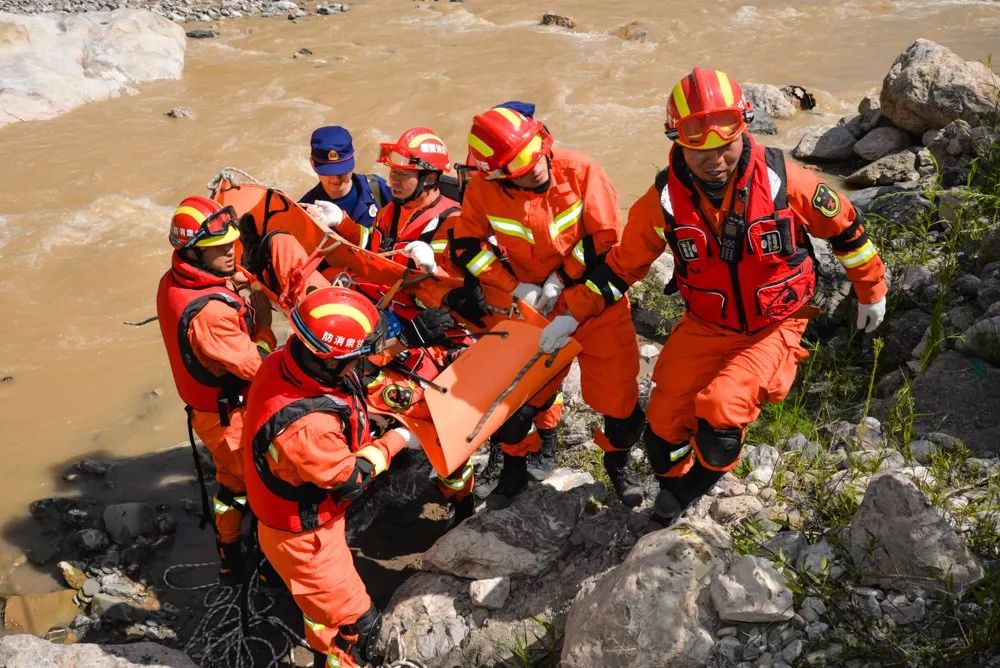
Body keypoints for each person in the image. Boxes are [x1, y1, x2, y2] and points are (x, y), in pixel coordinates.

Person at [553, 67, 888, 525]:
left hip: (775, 323)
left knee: (721, 411)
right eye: (699, 148)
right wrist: (571, 313)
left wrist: (871, 290)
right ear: (678, 141)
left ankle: (690, 490)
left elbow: (847, 230)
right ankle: (674, 481)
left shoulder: (784, 181)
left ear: (743, 129)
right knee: (663, 426)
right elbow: (621, 267)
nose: (714, 159)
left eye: (724, 146)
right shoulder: (664, 202)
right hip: (708, 323)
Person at [446, 106, 644, 509]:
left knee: (620, 406)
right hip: (534, 310)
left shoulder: (580, 169)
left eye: (534, 151)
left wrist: (561, 280)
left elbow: (605, 236)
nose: (534, 167)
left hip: (596, 305)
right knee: (514, 407)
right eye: (518, 164)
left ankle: (617, 462)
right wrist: (514, 287)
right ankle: (515, 470)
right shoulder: (483, 190)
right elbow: (467, 246)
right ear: (496, 173)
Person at [241, 286, 419, 668]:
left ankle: (305, 608)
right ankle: (338, 655)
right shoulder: (309, 428)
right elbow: (350, 478)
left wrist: (401, 344)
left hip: (283, 521)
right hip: (306, 540)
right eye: (355, 358)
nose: (361, 363)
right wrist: (398, 439)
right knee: (357, 624)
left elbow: (341, 384)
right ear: (331, 361)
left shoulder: (283, 362)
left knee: (317, 605)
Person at [156, 196, 276, 579]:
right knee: (264, 486)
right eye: (218, 248)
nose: (231, 250)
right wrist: (264, 326)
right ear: (193, 252)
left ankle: (229, 552)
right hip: (229, 417)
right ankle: (263, 560)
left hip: (210, 412)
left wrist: (235, 278)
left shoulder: (173, 280)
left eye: (231, 242)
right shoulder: (211, 315)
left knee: (232, 482)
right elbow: (258, 367)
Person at [299, 126, 392, 229]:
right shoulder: (305, 211)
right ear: (312, 164)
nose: (336, 178)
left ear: (353, 158)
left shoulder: (377, 188)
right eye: (328, 172)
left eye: (341, 170)